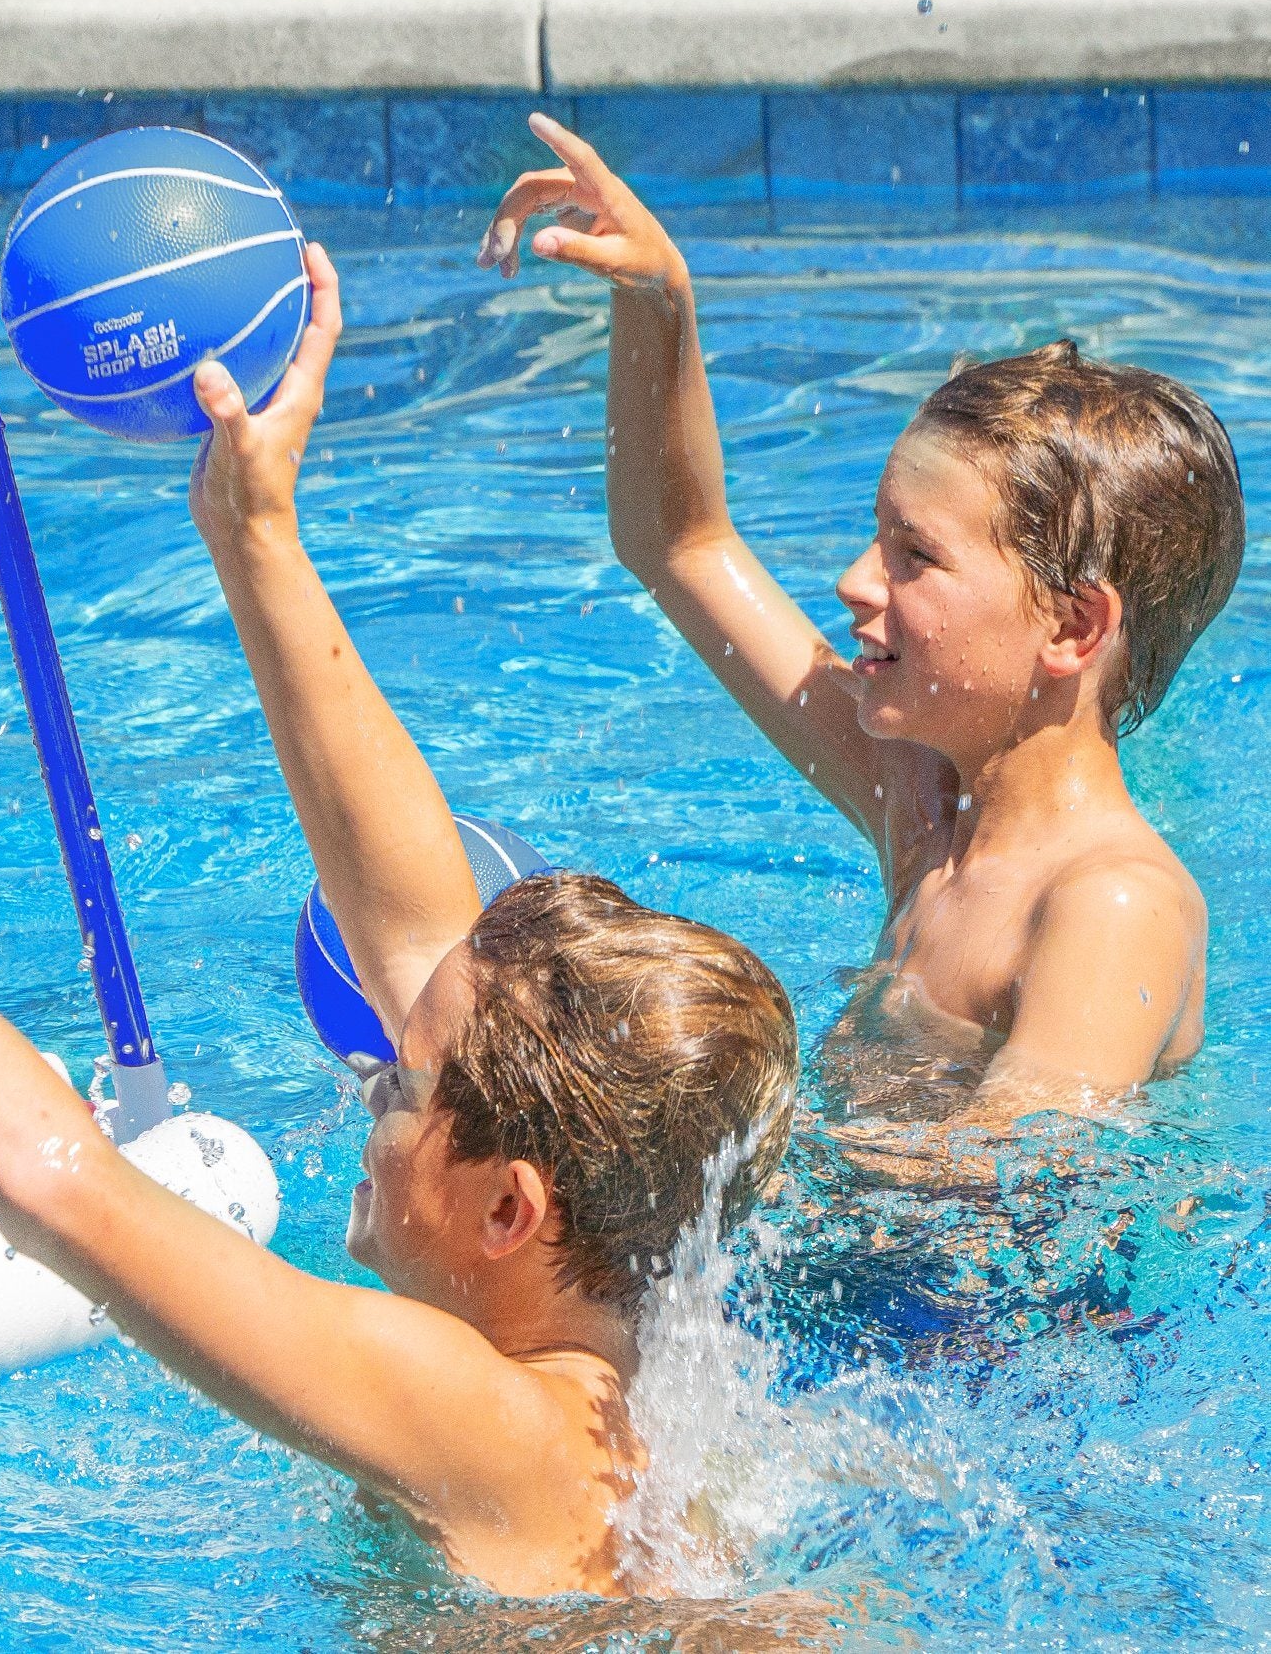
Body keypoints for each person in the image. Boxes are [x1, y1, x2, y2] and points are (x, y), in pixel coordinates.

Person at [0, 247, 797, 1600]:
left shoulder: (479, 1409)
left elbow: (60, 1187)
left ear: (509, 1208)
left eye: (401, 1081)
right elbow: (410, 917)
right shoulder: (640, 1362)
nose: (371, 1077)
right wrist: (256, 534)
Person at [480, 114, 1245, 1178]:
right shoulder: (922, 804)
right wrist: (661, 299)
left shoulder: (1112, 904)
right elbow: (679, 544)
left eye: (912, 557)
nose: (851, 581)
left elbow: (1009, 1182)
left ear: (1072, 628)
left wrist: (652, 1143)